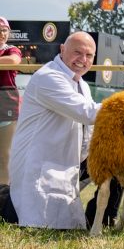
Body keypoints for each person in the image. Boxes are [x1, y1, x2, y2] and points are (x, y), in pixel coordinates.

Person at [2, 32, 99, 229]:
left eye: (89, 56)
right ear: (62, 50)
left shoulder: (81, 84)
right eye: (77, 52)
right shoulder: (48, 77)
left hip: (66, 164)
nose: (82, 60)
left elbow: (88, 130)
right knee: (18, 212)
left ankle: (103, 217)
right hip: (39, 169)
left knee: (116, 159)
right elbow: (87, 113)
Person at [0, 17, 22, 186]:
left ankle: (3, 200)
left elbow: (14, 61)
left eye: (4, 30)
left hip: (6, 106)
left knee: (5, 156)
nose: (2, 33)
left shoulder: (11, 49)